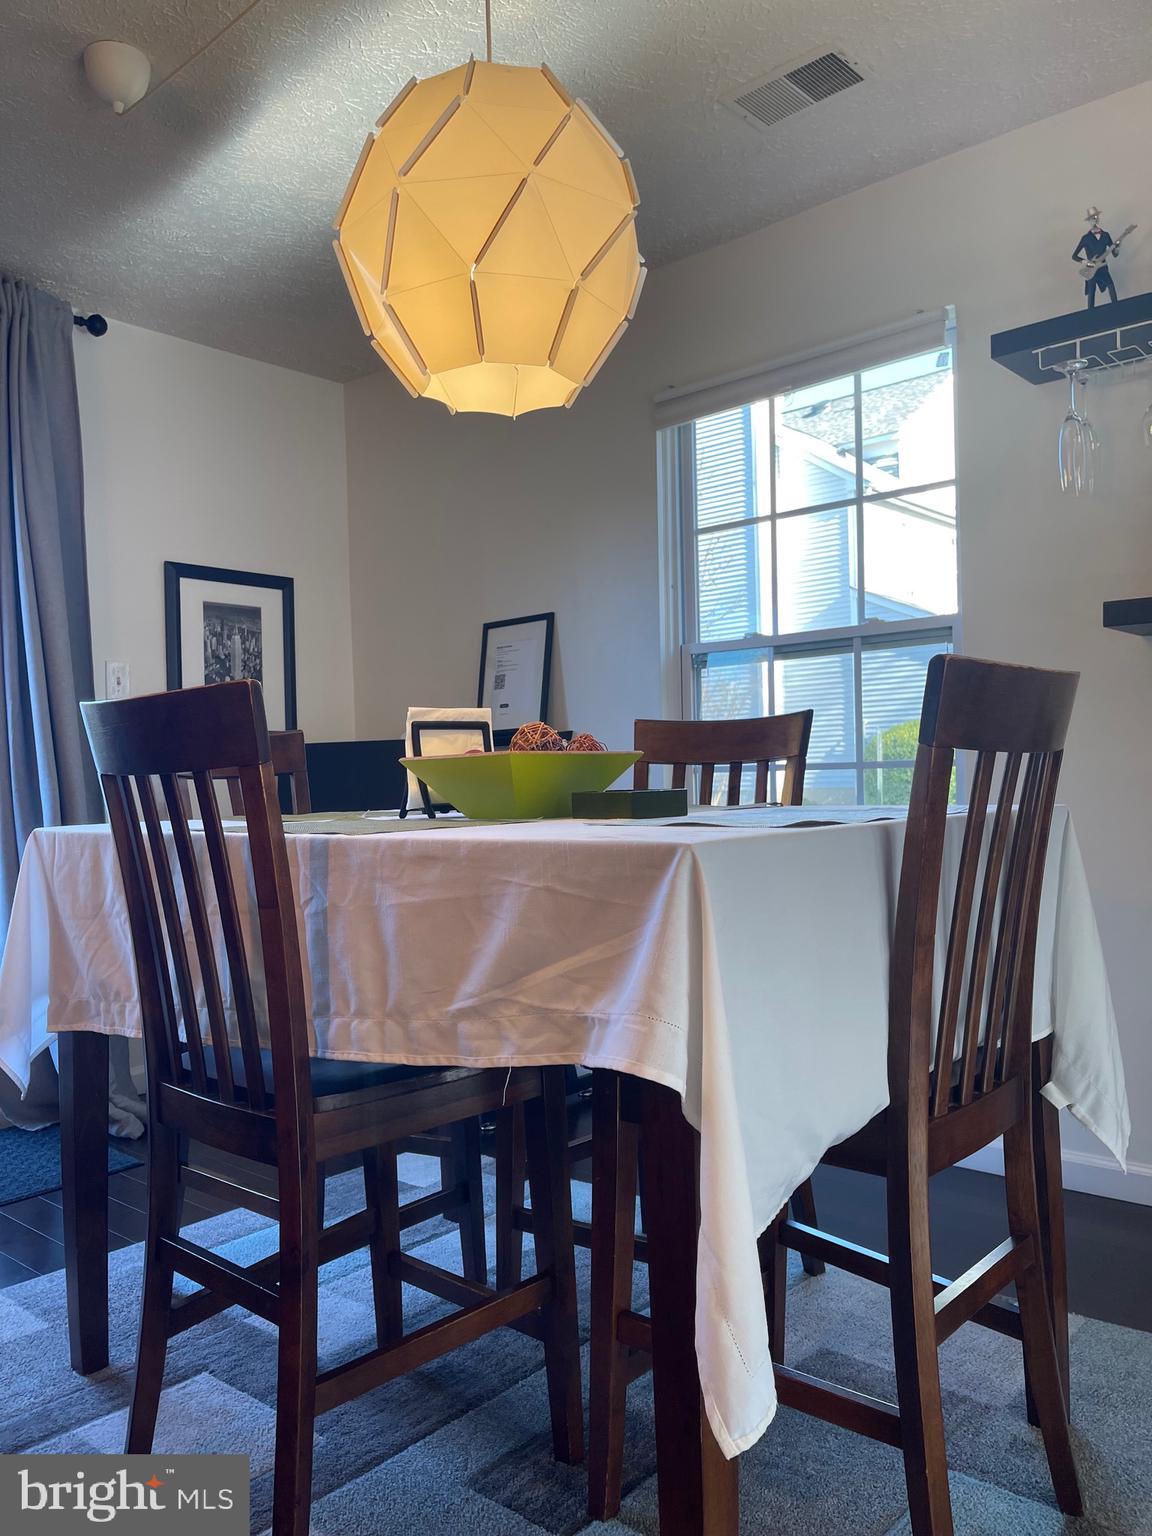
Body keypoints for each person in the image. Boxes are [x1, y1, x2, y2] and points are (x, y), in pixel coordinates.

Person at [1073, 207, 1119, 307]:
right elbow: (1074, 256)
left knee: (1111, 286)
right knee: (1091, 293)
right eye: (1091, 218)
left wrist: (1117, 248)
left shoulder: (1106, 235)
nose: (1094, 219)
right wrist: (1086, 262)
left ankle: (1117, 309)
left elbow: (1115, 254)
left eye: (1095, 217)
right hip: (1091, 269)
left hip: (1103, 268)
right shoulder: (1085, 238)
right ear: (1089, 221)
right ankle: (1090, 315)